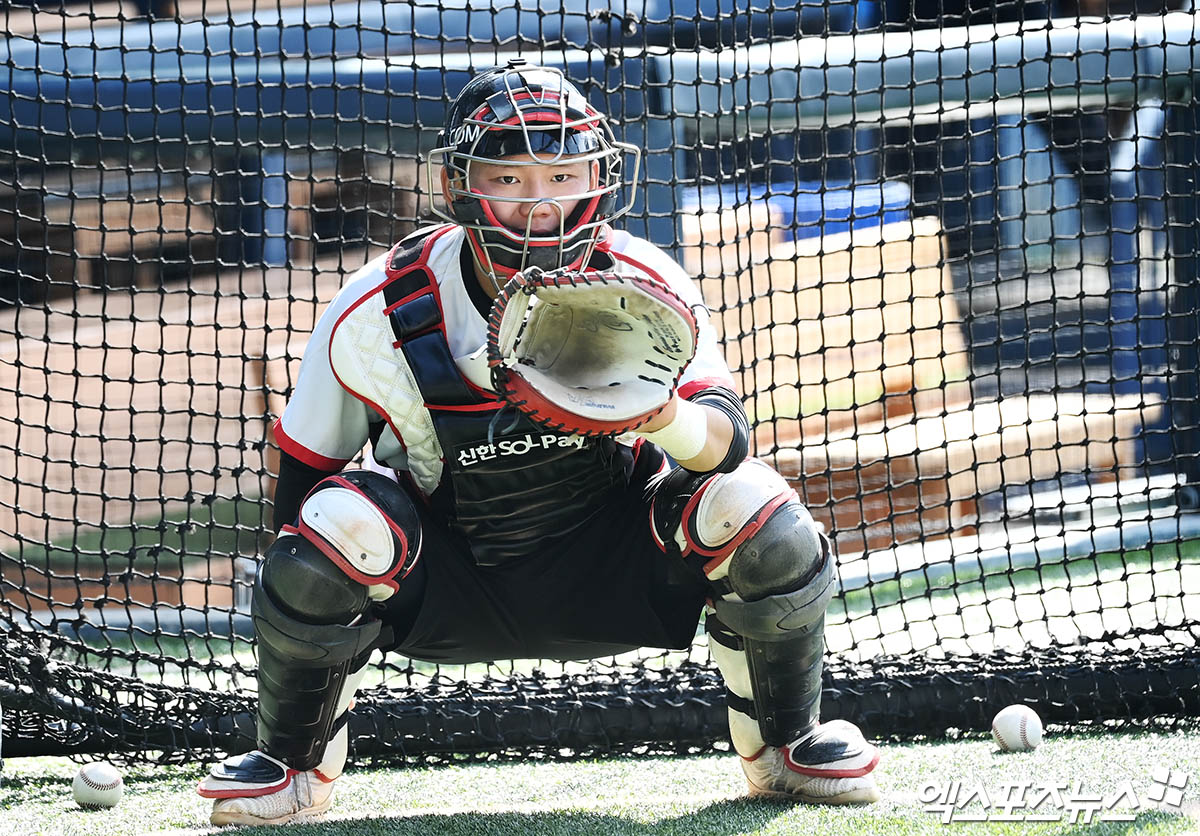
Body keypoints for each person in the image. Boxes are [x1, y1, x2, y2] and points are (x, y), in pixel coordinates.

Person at [196, 59, 881, 826]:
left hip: (621, 566)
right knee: (332, 520)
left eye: (561, 174)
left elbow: (725, 443)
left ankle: (787, 745)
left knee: (758, 506)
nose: (539, 202)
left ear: (599, 176)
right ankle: (292, 763)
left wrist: (657, 415)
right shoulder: (378, 306)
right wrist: (314, 583)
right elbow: (300, 485)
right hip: (449, 580)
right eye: (510, 178)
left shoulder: (643, 277)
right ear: (459, 186)